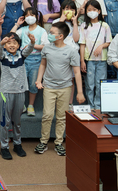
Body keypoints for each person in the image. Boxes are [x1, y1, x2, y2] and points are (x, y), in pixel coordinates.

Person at [34, 22, 85, 156]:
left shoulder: (72, 51)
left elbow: (77, 72)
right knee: (47, 115)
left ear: (60, 36)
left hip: (65, 88)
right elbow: (42, 65)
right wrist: (39, 80)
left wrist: (79, 92)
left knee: (62, 117)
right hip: (49, 87)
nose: (49, 35)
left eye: (51, 33)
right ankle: (43, 141)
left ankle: (58, 142)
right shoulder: (46, 49)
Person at [0, 31, 35, 160]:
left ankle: (17, 144)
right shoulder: (2, 56)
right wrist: (1, 44)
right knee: (5, 122)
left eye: (14, 43)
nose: (12, 45)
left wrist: (32, 42)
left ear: (18, 45)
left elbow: (29, 49)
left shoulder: (21, 55)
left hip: (20, 91)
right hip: (6, 92)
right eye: (9, 43)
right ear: (5, 45)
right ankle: (4, 147)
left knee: (17, 121)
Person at [12, 8, 48, 116]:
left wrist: (32, 46)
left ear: (36, 17)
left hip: (36, 60)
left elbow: (45, 46)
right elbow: (11, 36)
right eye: (27, 15)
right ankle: (21, 105)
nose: (29, 17)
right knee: (21, 83)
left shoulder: (42, 30)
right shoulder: (23, 29)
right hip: (23, 59)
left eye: (32, 15)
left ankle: (31, 105)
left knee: (33, 83)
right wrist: (17, 24)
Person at [78, 0, 112, 109]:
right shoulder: (84, 25)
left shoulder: (104, 25)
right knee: (89, 85)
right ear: (86, 12)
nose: (92, 12)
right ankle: (91, 106)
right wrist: (82, 60)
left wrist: (101, 46)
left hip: (102, 60)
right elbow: (82, 43)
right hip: (89, 60)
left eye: (94, 10)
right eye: (89, 10)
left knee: (100, 83)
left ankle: (98, 106)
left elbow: (109, 41)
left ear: (99, 11)